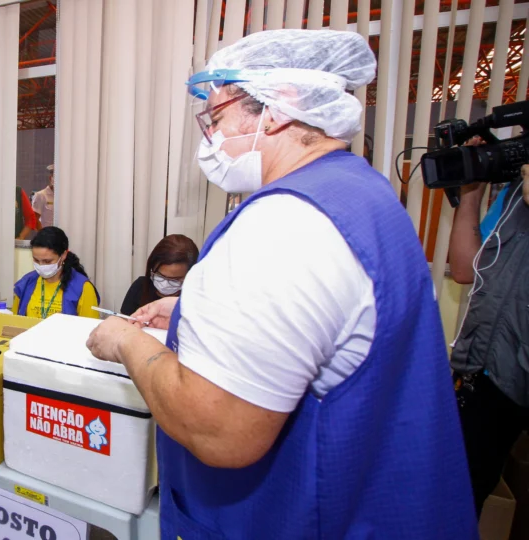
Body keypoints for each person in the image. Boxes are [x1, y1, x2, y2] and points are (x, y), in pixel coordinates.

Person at [85, 29, 476, 538]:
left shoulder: (284, 225)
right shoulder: (360, 193)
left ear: (278, 107)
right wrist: (184, 314)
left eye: (219, 118)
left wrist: (127, 341)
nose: (212, 140)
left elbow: (220, 431)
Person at [449, 135, 529, 516]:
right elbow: (467, 269)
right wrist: (471, 196)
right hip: (491, 374)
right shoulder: (514, 195)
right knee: (460, 495)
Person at [13, 226, 100, 319]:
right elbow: (14, 322)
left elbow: (90, 329)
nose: (41, 265)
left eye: (47, 261)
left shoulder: (82, 288)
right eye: (36, 260)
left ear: (63, 255)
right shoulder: (26, 283)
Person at [120, 234, 198, 316]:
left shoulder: (196, 299)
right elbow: (122, 321)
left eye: (174, 280)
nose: (165, 284)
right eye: (160, 276)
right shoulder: (140, 286)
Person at [32, 164, 55, 229]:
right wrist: (43, 235)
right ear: (51, 178)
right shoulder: (41, 195)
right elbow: (34, 220)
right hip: (47, 236)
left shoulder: (68, 198)